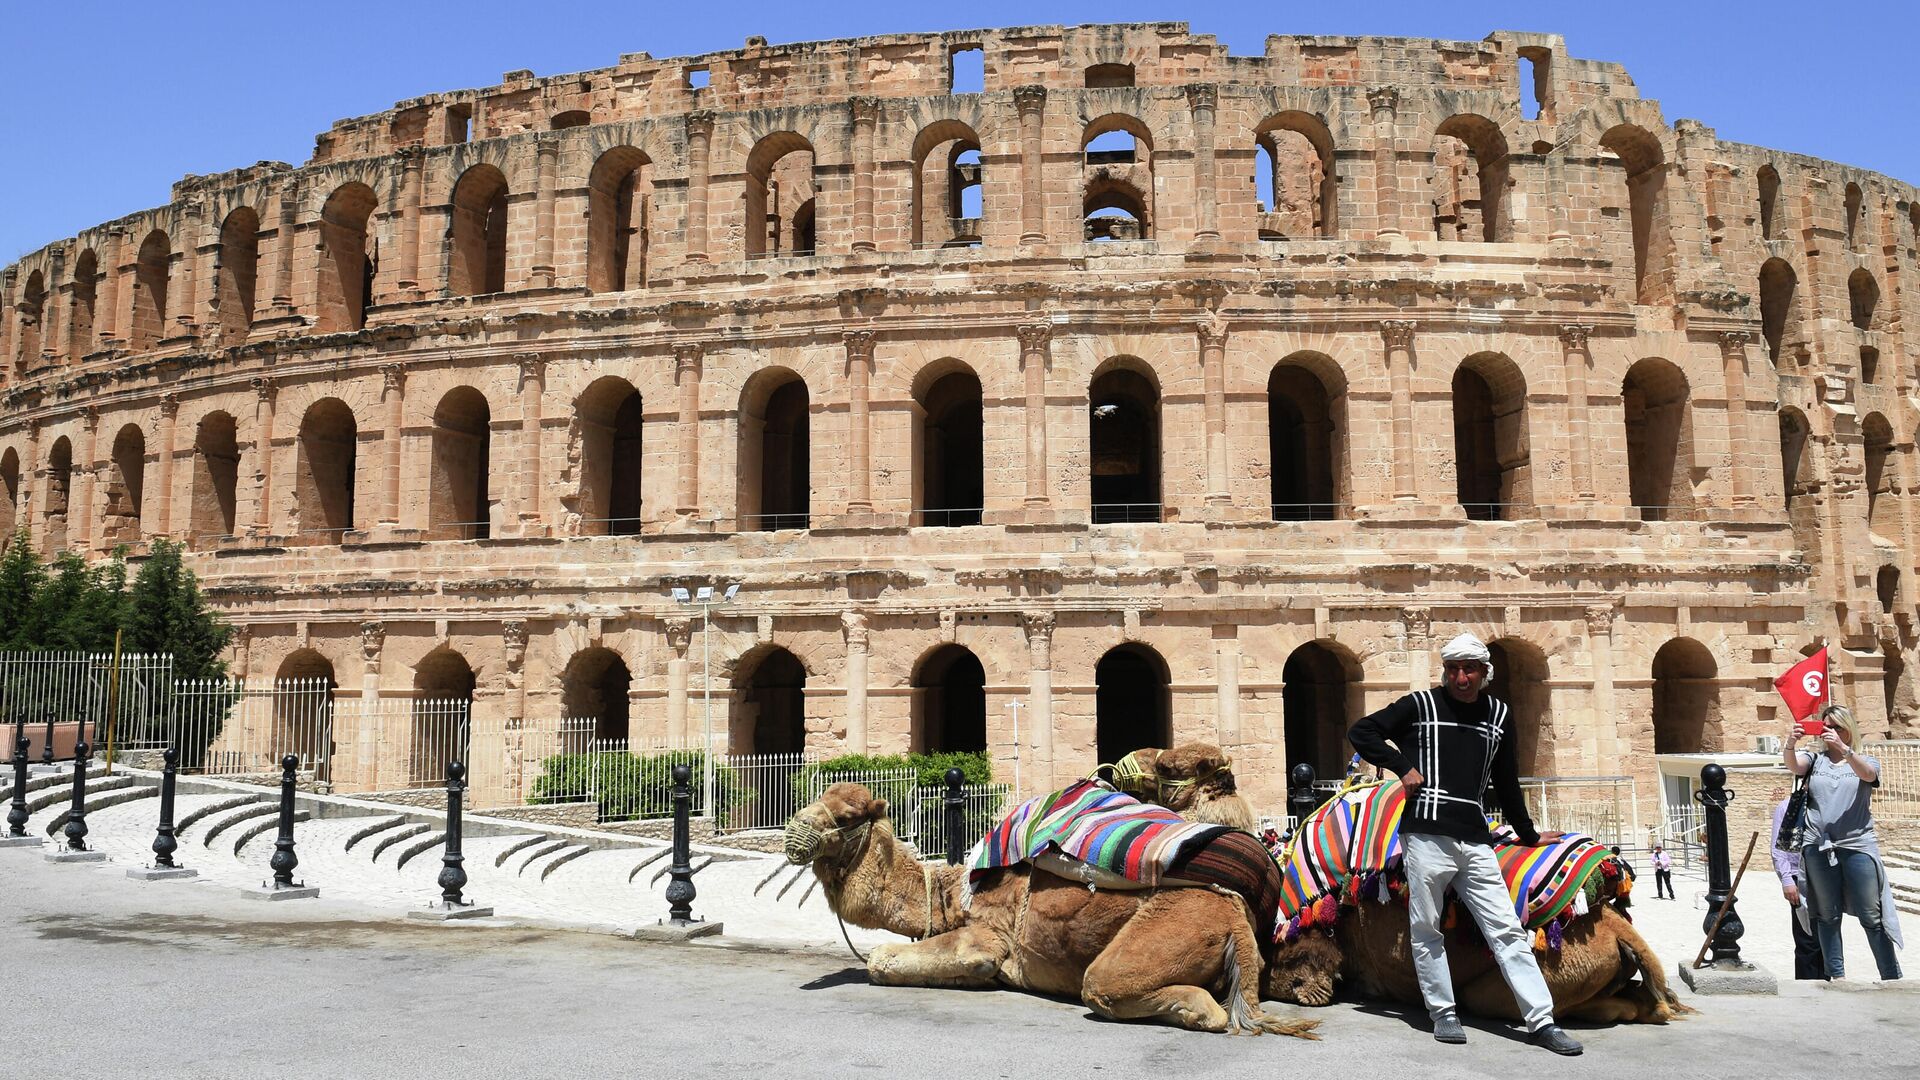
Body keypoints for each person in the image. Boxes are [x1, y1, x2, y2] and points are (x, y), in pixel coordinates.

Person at [1348, 632, 1583, 1056]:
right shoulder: (1420, 705)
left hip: (1475, 838)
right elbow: (1362, 731)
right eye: (1454, 669)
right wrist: (1401, 766)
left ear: (1483, 672)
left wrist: (1528, 835)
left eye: (1469, 669)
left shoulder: (1498, 715)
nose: (1461, 677)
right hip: (1425, 834)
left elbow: (1506, 782)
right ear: (1446, 671)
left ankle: (1542, 1021)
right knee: (1426, 928)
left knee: (1508, 930)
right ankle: (1444, 1013)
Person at [1782, 703, 1904, 981]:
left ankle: (1890, 977)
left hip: (1857, 845)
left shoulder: (1866, 760)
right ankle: (1836, 977)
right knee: (1826, 915)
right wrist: (1790, 743)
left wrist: (1845, 750)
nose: (1832, 732)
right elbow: (1794, 766)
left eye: (1838, 727)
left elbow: (1868, 776)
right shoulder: (1815, 761)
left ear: (1849, 729)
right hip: (1818, 846)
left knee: (1872, 916)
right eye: (1827, 727)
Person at [1770, 788, 1827, 981]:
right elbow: (1778, 848)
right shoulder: (1787, 807)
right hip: (1798, 876)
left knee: (1828, 935)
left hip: (1827, 874)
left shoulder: (1829, 805)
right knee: (1806, 937)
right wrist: (1786, 879)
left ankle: (1828, 982)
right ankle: (1808, 986)